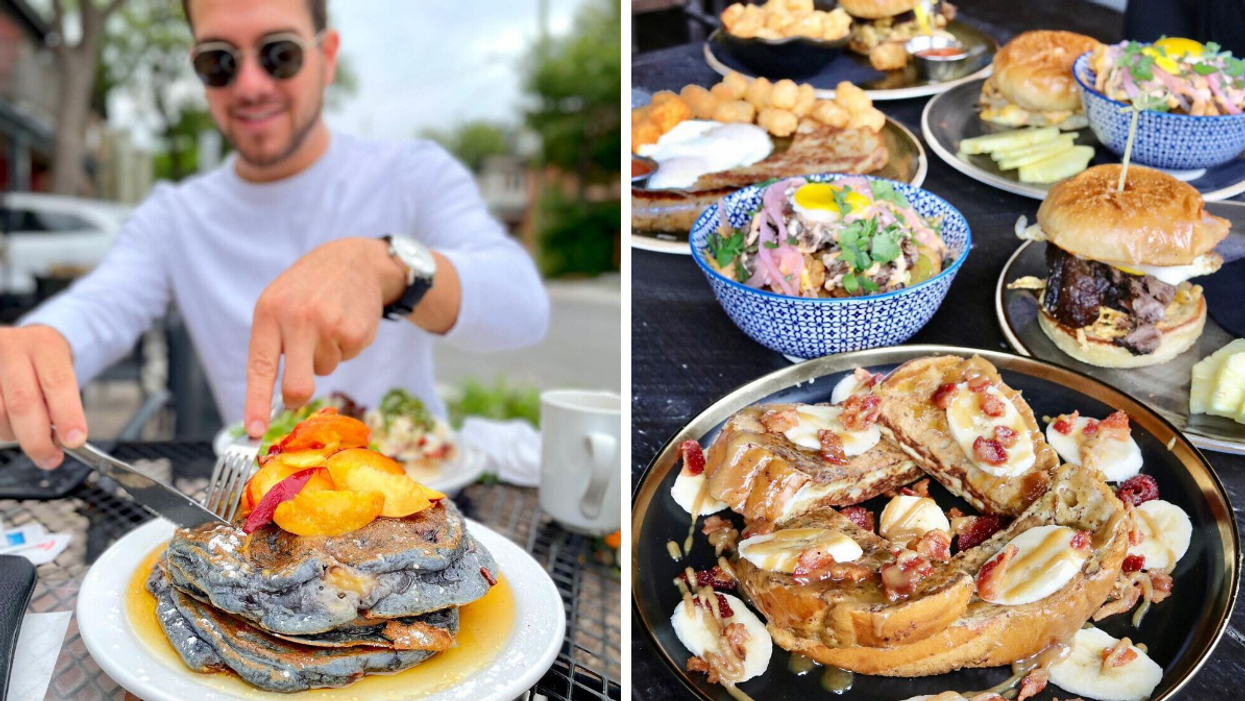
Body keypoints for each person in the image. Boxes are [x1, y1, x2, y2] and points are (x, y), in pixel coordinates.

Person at [0, 0, 549, 469]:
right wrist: (37, 343)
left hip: (418, 486)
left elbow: (522, 305)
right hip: (268, 500)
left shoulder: (413, 174)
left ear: (327, 58)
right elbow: (99, 308)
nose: (250, 85)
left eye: (278, 54)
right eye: (219, 62)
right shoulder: (174, 215)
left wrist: (386, 266)